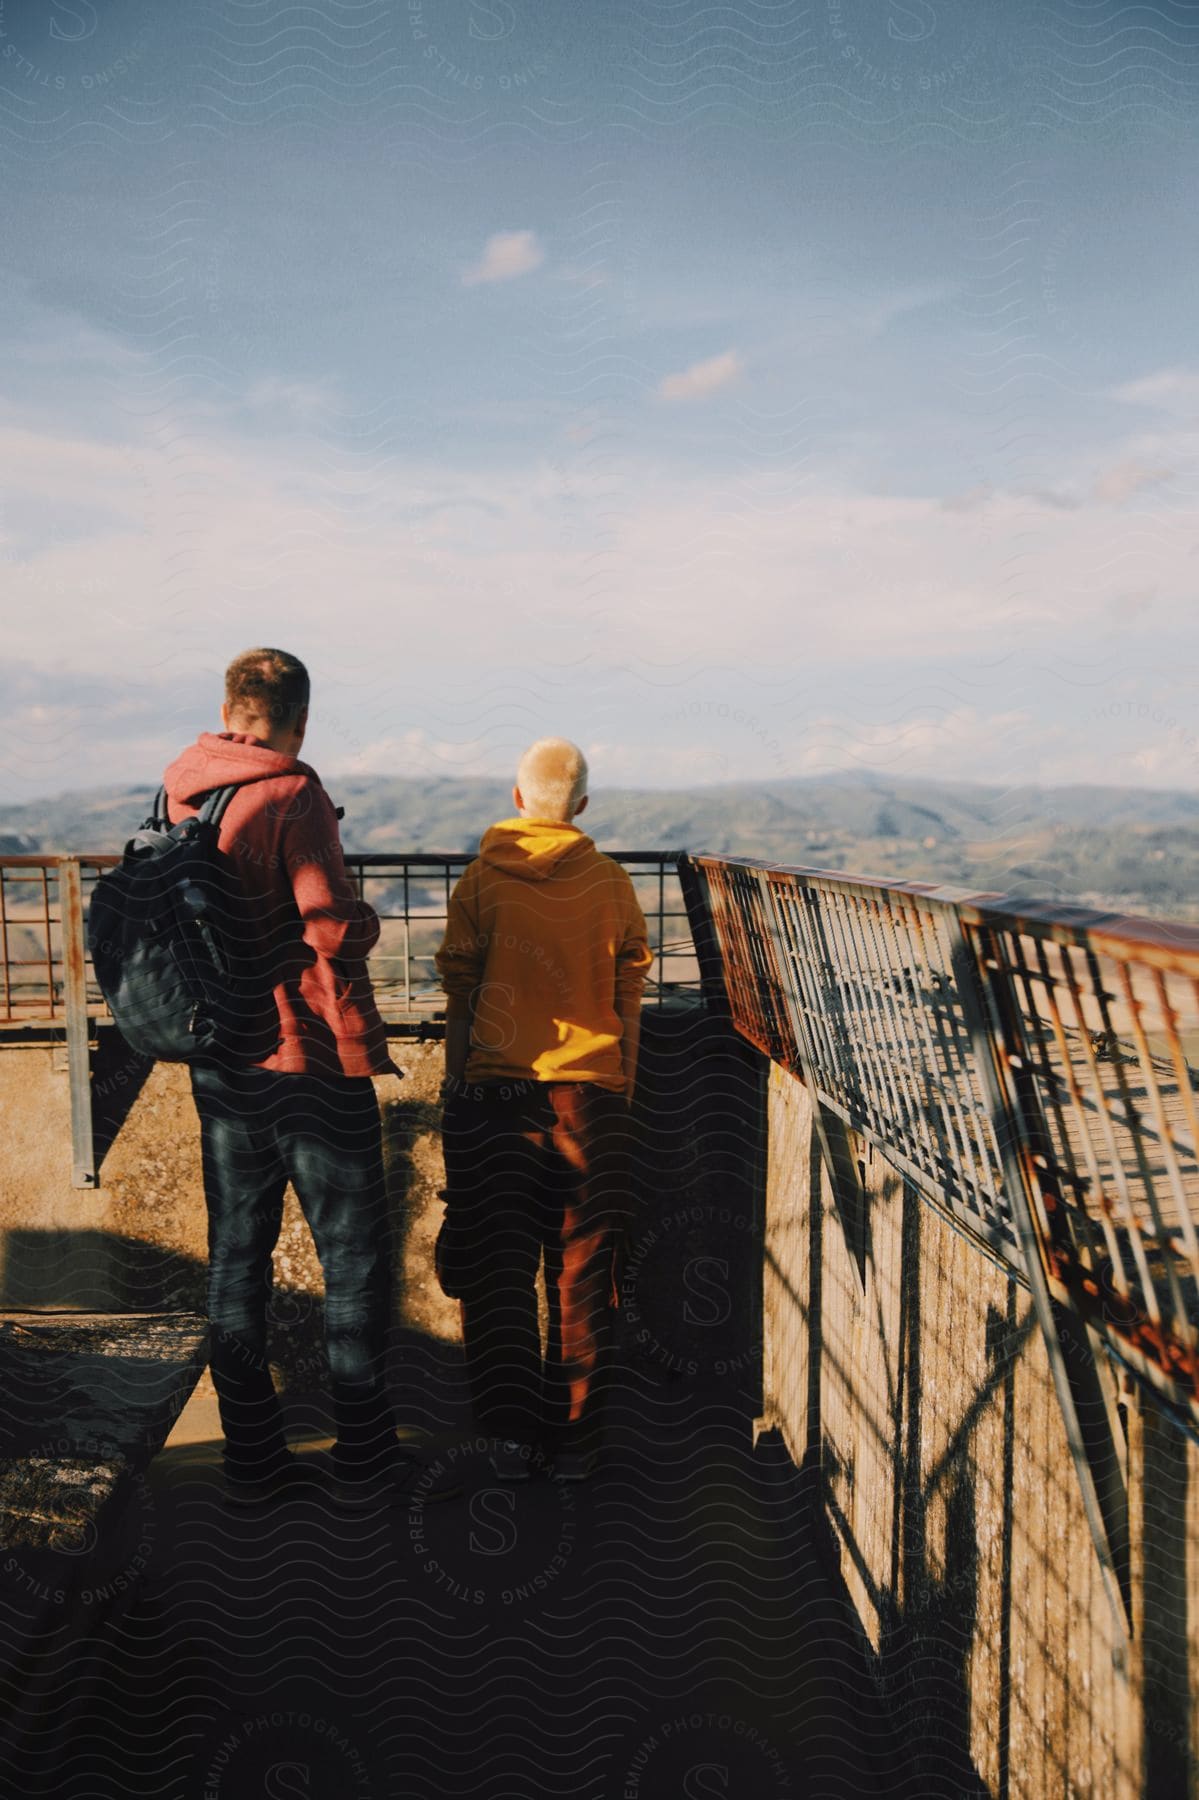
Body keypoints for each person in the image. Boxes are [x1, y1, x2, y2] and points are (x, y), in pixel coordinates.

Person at [162, 646, 403, 1506]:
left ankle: (253, 1458)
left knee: (237, 1258)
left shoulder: (186, 785)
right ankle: (367, 1455)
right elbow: (328, 926)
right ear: (299, 717)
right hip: (305, 1054)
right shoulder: (292, 792)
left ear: (231, 708)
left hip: (223, 1059)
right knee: (354, 1258)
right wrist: (368, 919)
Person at [434, 738, 652, 1482]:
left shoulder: (478, 883)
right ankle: (577, 1446)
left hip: (494, 1096)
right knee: (583, 1271)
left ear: (517, 796)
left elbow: (459, 993)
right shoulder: (611, 883)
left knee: (496, 1275)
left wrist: (455, 1084)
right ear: (582, 806)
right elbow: (629, 995)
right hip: (591, 1097)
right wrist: (620, 1082)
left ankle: (506, 1440)